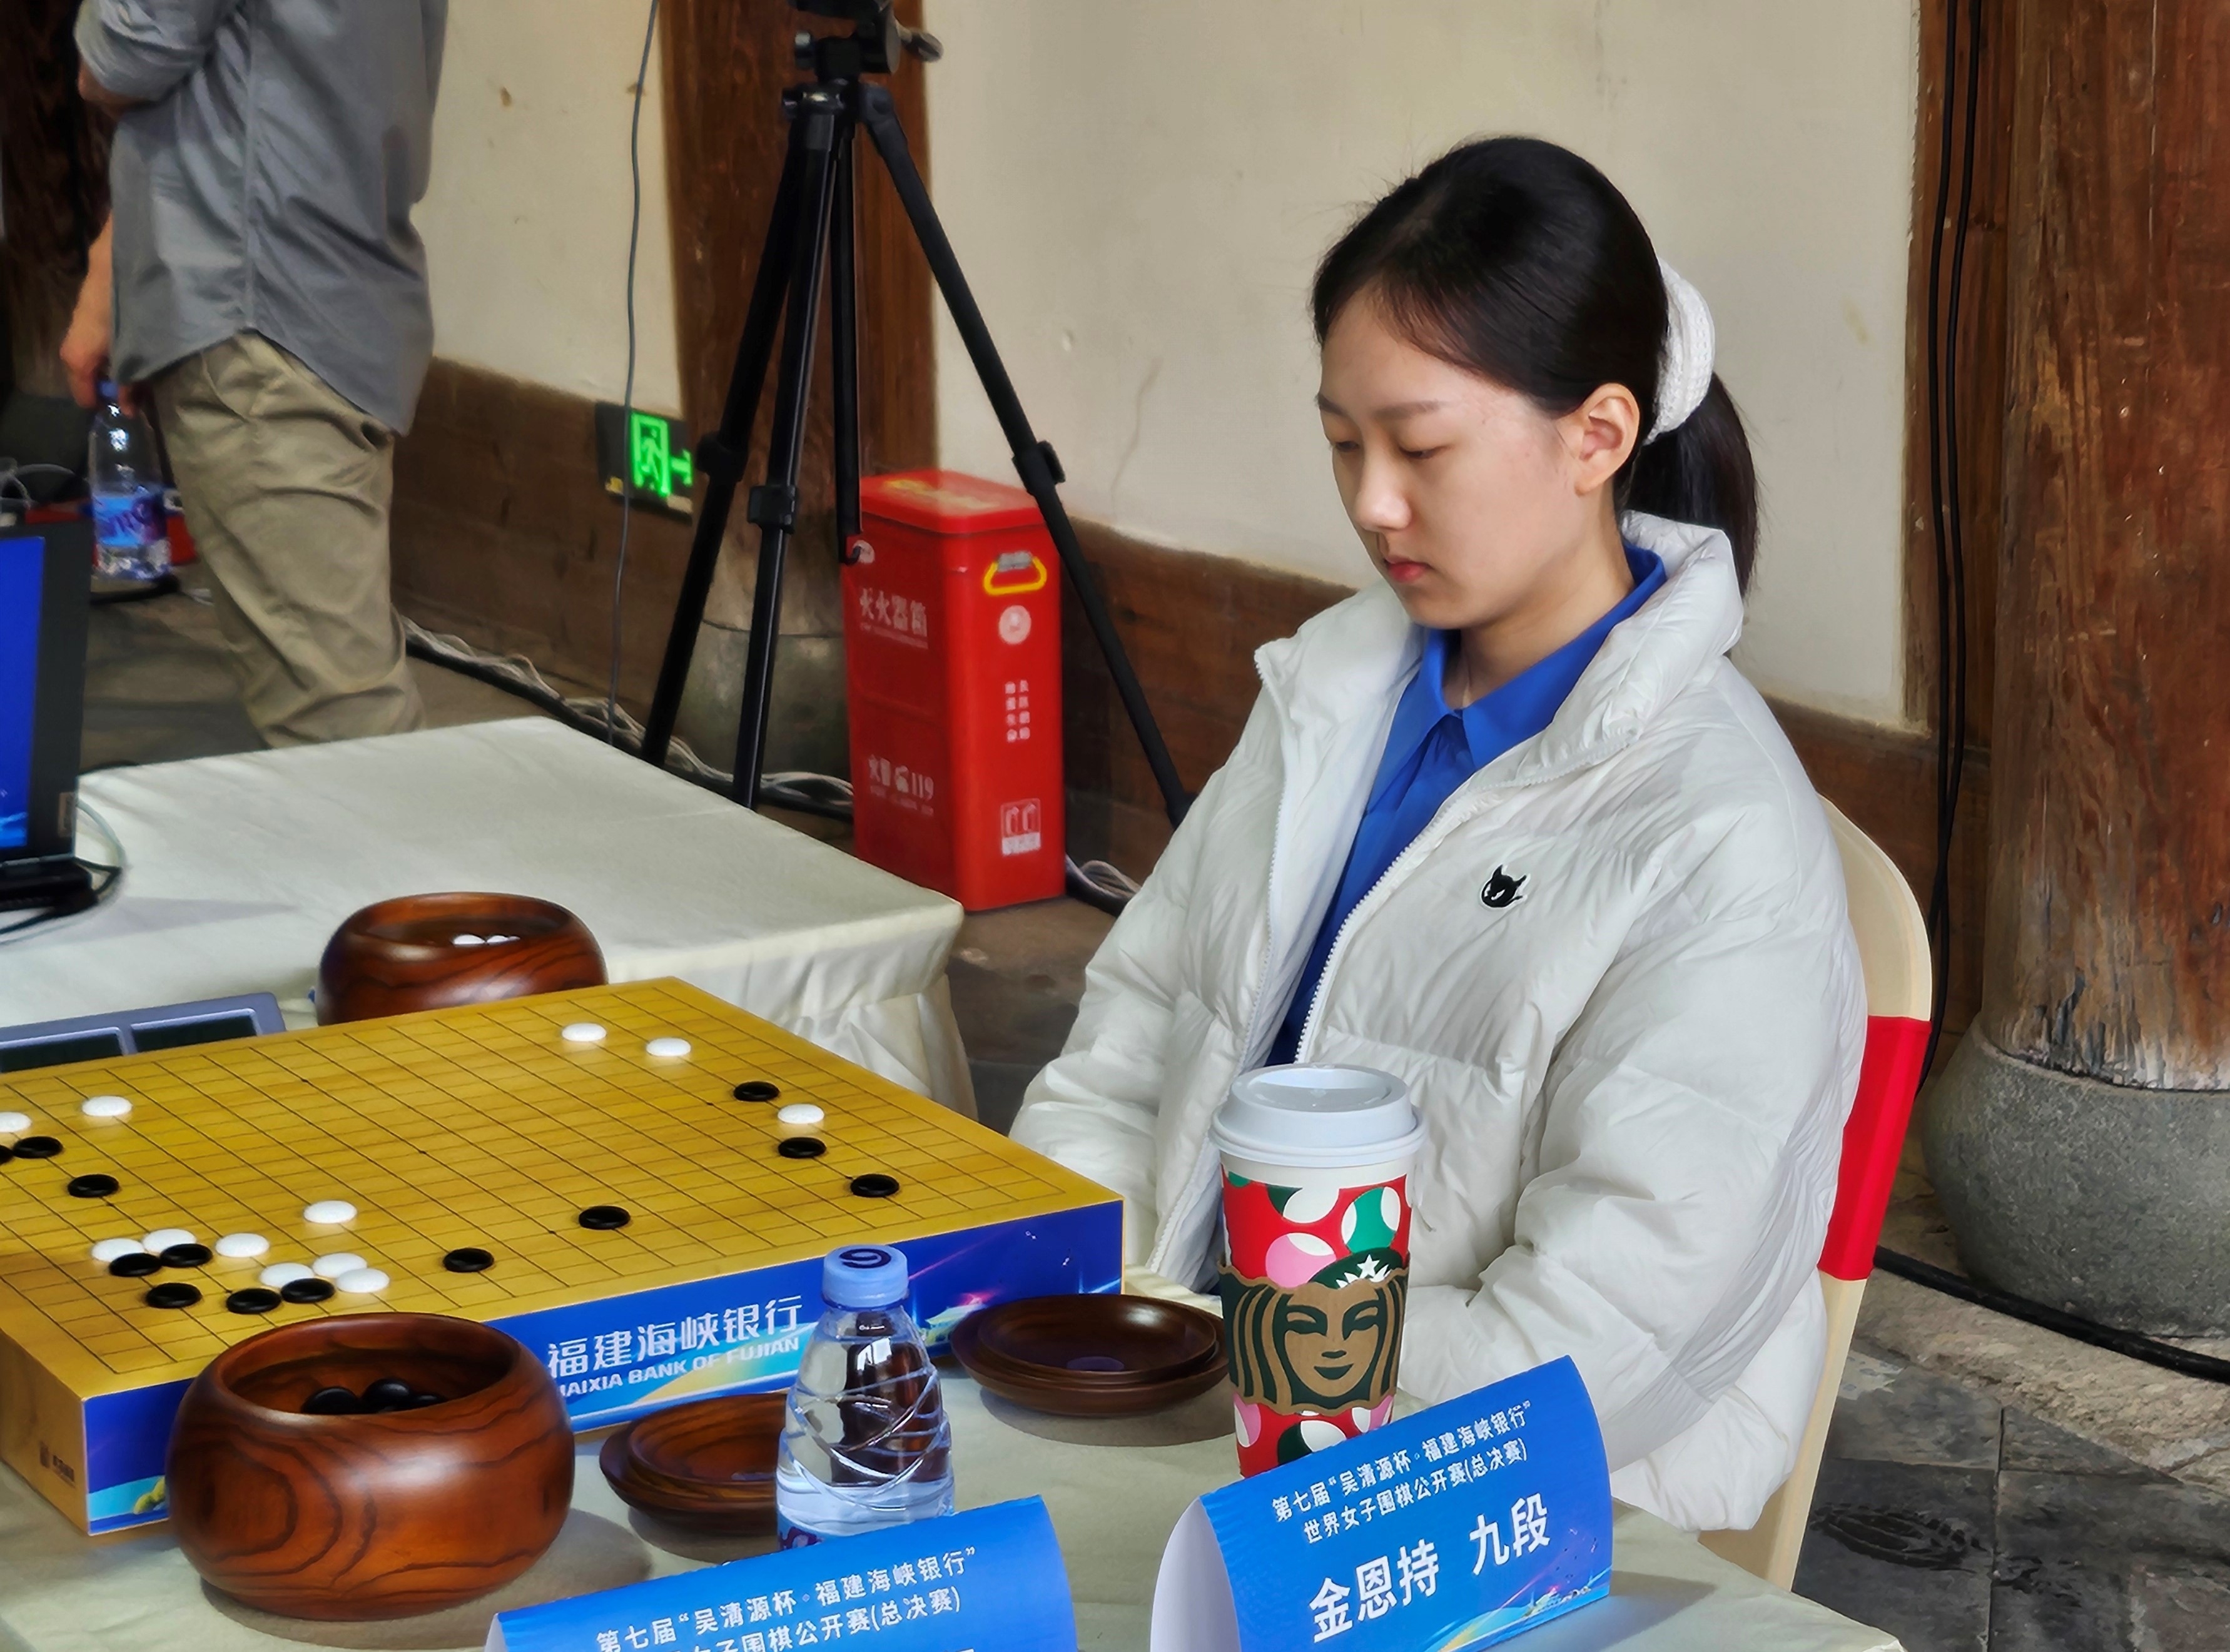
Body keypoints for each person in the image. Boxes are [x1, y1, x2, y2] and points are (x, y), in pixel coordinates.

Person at [1011, 137, 1865, 1534]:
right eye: (1343, 443)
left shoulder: (1717, 836)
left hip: (1481, 1507)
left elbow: (1594, 1345)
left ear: (1598, 436)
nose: (1370, 503)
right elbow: (1136, 1032)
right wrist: (1071, 1320)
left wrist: (1231, 1366)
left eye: (1420, 448)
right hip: (1182, 1406)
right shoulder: (1332, 693)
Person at [61, 0, 448, 746]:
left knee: (347, 734)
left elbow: (124, 50)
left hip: (256, 307)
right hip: (332, 289)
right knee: (342, 705)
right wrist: (133, 267)